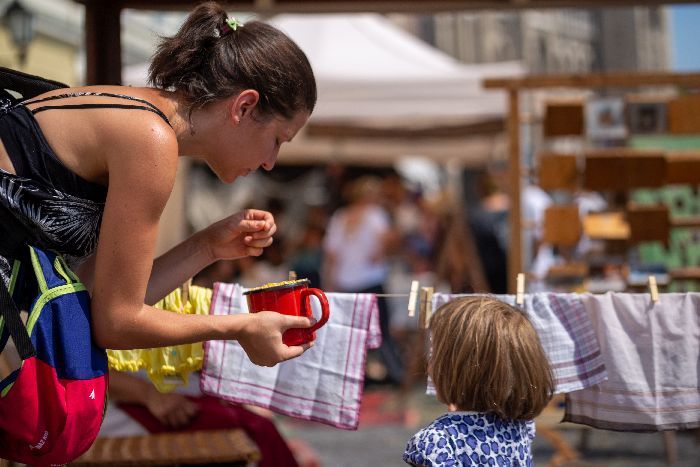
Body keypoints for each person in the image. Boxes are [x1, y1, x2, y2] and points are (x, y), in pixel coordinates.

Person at [0, 2, 316, 367]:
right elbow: (115, 323)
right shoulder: (151, 139)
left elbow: (91, 297)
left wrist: (207, 246)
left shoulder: (139, 113)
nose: (271, 162)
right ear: (244, 107)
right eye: (277, 140)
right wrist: (241, 327)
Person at [403, 296, 554, 466]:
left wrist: (455, 420)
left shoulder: (437, 442)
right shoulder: (519, 426)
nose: (428, 364)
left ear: (453, 370)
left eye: (434, 354)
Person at [322, 175, 405, 385]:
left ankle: (355, 377)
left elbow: (331, 254)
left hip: (345, 282)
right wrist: (380, 251)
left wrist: (329, 282)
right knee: (381, 330)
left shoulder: (340, 217)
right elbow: (390, 240)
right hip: (370, 279)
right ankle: (394, 373)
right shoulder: (375, 215)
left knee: (353, 335)